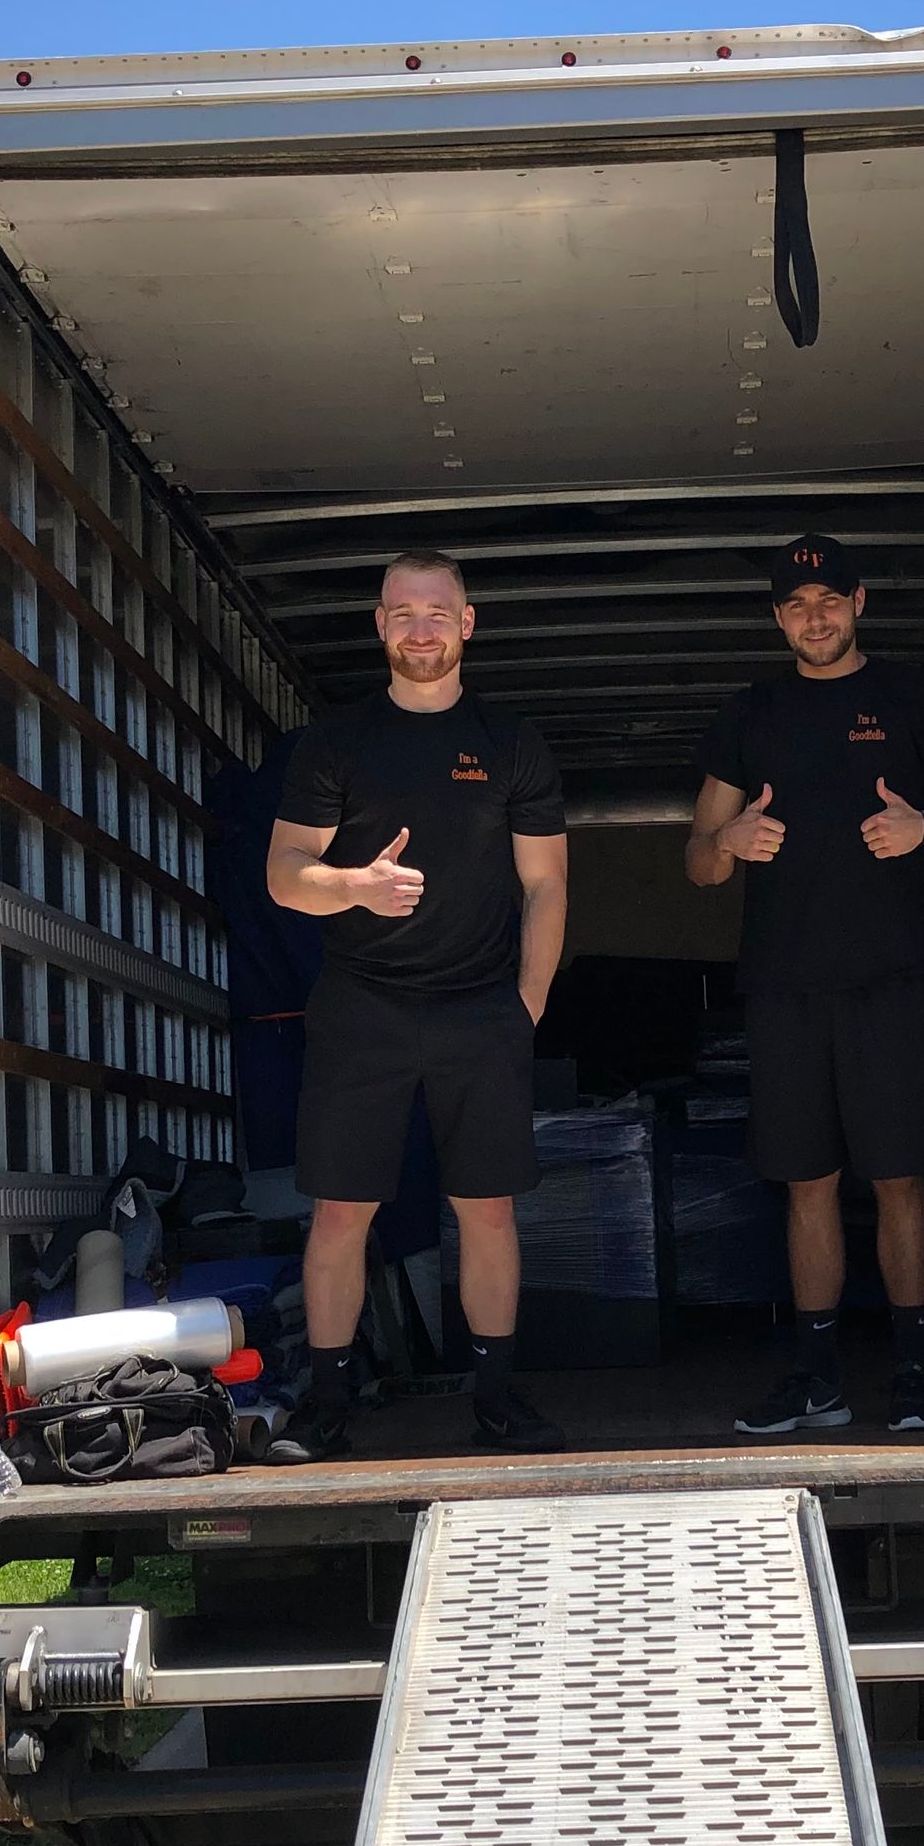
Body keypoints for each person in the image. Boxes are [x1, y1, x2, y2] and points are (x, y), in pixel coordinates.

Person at [686, 533, 924, 1434]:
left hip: (889, 983)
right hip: (784, 987)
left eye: (828, 600)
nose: (813, 617)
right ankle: (815, 1376)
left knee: (901, 1176)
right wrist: (729, 844)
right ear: (778, 617)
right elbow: (697, 861)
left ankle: (910, 1376)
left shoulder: (913, 697)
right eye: (795, 605)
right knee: (807, 1180)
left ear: (858, 602)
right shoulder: (750, 712)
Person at [267, 550, 570, 1455]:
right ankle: (326, 1407)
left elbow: (546, 884)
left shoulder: (512, 743)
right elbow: (286, 877)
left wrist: (528, 1002)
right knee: (339, 1212)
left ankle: (497, 1399)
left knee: (487, 1210)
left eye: (438, 611)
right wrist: (354, 885)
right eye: (403, 612)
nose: (422, 628)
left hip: (482, 1007)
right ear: (380, 626)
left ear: (468, 624)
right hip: (362, 1008)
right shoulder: (335, 742)